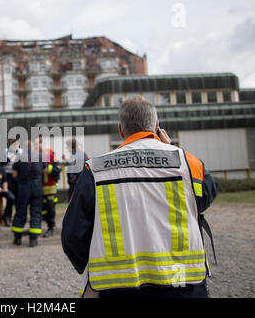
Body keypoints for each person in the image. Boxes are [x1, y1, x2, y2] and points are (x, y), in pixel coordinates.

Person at [62, 96, 219, 298]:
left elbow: (72, 236)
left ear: (120, 130)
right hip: (184, 287)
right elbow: (203, 200)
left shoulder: (95, 170)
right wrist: (172, 150)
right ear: (157, 126)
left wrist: (95, 263)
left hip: (119, 289)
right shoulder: (188, 163)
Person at [11, 140, 47, 247]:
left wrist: (21, 178)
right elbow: (44, 170)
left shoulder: (19, 157)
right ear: (33, 147)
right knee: (36, 212)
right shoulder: (40, 156)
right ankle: (33, 239)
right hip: (36, 186)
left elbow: (14, 174)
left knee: (20, 211)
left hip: (23, 186)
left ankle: (17, 238)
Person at [36, 139, 61, 238]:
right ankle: (39, 227)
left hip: (50, 188)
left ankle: (51, 227)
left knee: (50, 208)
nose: (37, 147)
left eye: (39, 145)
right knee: (41, 208)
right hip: (38, 187)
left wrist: (47, 168)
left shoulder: (51, 157)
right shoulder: (34, 157)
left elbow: (57, 170)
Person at [2, 139, 21, 227]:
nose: (17, 146)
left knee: (18, 198)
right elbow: (2, 163)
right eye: (15, 145)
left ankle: (17, 217)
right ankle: (7, 217)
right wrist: (11, 157)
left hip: (17, 177)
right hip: (8, 176)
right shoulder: (5, 151)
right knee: (10, 198)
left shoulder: (20, 152)